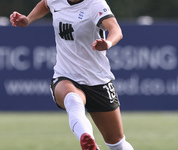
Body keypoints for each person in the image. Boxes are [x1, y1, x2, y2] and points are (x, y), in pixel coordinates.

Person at [10, 0, 134, 150]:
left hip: (97, 79)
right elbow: (45, 4)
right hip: (66, 74)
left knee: (117, 143)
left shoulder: (95, 4)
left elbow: (116, 30)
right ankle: (88, 141)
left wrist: (107, 43)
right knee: (73, 100)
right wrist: (28, 19)